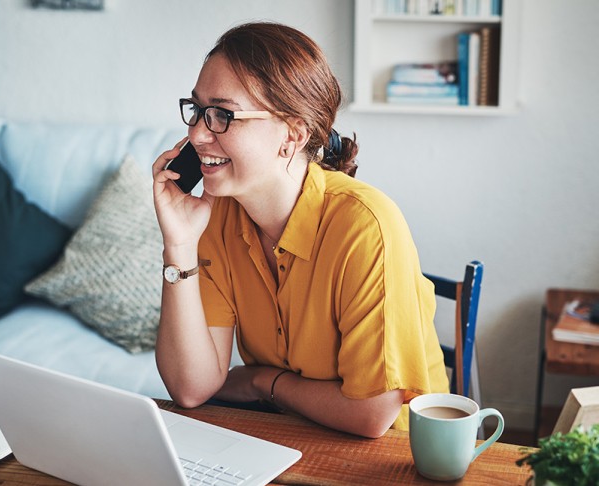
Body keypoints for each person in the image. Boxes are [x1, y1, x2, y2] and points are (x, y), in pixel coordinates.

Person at [151, 22, 448, 438]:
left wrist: (263, 383)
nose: (197, 133)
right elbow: (190, 388)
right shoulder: (215, 217)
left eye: (223, 115)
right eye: (197, 110)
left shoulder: (366, 227)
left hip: (389, 458)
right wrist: (179, 245)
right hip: (284, 437)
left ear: (292, 134)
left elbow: (373, 415)